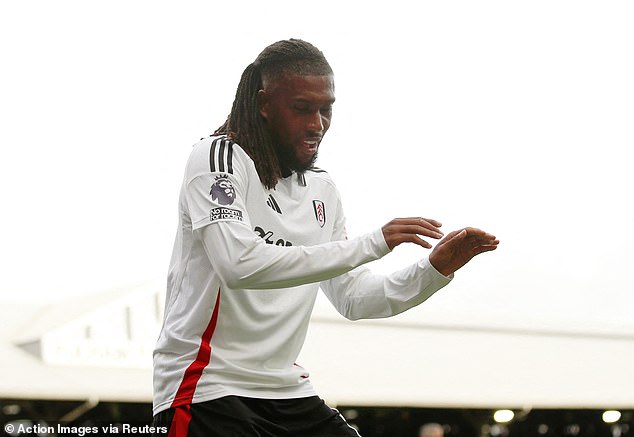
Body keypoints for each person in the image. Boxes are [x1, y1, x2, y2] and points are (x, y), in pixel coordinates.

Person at [152, 39, 499, 437]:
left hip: (286, 390)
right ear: (264, 104)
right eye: (302, 109)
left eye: (326, 109)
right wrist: (373, 242)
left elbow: (354, 299)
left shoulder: (323, 190)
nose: (317, 123)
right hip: (206, 388)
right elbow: (237, 264)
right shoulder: (219, 158)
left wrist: (434, 270)